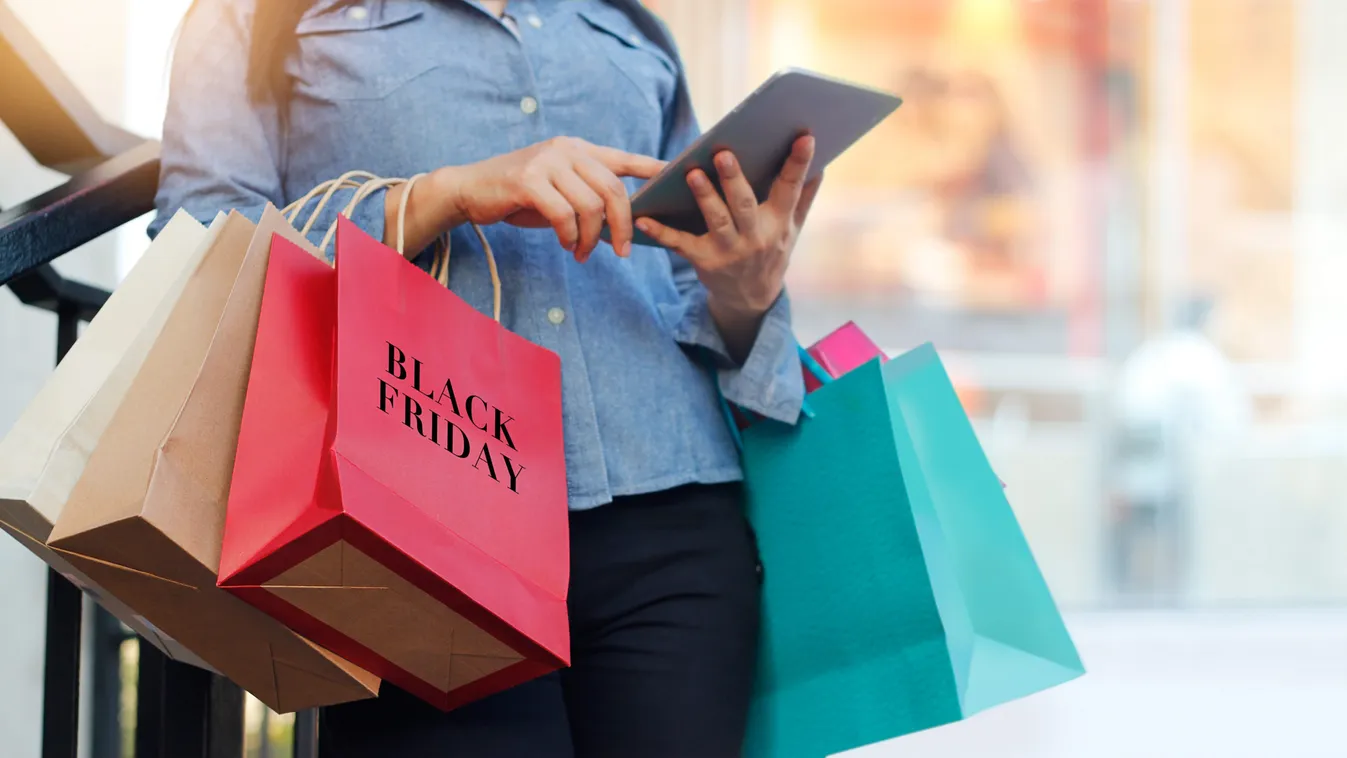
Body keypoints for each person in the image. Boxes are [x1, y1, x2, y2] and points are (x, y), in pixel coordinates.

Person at [155, 1, 822, 756]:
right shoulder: (251, 16)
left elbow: (682, 284)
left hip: (673, 518)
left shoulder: (628, 22)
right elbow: (202, 248)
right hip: (418, 526)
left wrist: (749, 286)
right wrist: (445, 194)